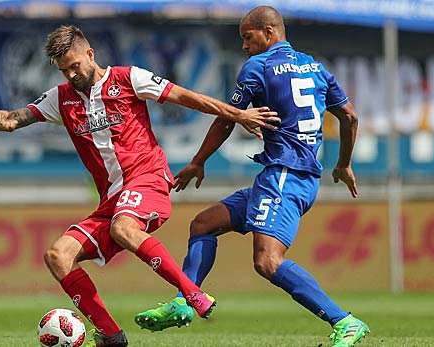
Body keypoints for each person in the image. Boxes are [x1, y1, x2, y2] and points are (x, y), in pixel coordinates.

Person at [0, 25, 279, 347]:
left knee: (124, 227)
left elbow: (186, 98)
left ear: (90, 54)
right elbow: (12, 120)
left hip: (148, 182)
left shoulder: (128, 79)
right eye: (63, 70)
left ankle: (191, 293)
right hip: (111, 201)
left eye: (74, 66)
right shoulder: (61, 99)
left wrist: (237, 114)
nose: (70, 76)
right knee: (58, 255)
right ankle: (111, 335)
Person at [134, 6, 370, 347]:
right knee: (204, 224)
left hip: (284, 177)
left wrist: (198, 161)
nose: (244, 45)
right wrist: (344, 163)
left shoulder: (258, 67)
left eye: (248, 37)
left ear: (269, 33)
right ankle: (186, 300)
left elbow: (227, 118)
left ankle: (345, 322)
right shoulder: (315, 67)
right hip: (292, 178)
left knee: (267, 261)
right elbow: (349, 116)